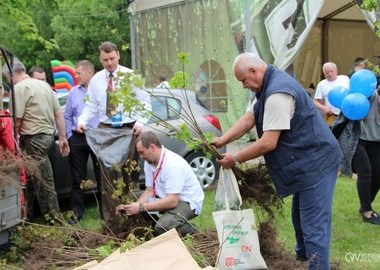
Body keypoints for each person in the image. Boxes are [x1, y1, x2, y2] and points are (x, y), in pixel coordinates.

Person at [213, 53, 343, 270]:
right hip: (304, 162)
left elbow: (268, 143)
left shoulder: (277, 94)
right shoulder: (266, 86)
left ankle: (316, 266)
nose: (244, 85)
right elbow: (249, 118)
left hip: (317, 163)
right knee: (300, 219)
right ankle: (302, 262)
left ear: (254, 71)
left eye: (243, 80)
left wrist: (235, 158)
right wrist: (223, 139)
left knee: (313, 226)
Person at [77, 41, 151, 229]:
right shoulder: (96, 80)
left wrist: (140, 123)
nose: (109, 63)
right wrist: (82, 120)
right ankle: (110, 224)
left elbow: (145, 103)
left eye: (111, 58)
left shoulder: (131, 76)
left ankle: (131, 220)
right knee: (107, 179)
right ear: (100, 59)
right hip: (105, 130)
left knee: (129, 175)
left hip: (128, 129)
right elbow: (92, 106)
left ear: (118, 55)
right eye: (105, 60)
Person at [2, 59, 69, 223]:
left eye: (6, 77)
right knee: (31, 181)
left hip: (33, 139)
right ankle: (28, 217)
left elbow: (16, 122)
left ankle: (55, 221)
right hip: (47, 137)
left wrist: (12, 142)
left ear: (10, 74)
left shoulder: (19, 89)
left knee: (44, 182)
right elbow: (59, 114)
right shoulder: (44, 86)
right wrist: (62, 137)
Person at [116, 131, 204, 236]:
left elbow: (172, 201)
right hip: (167, 197)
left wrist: (140, 207)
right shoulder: (150, 162)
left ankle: (191, 230)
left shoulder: (173, 165)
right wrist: (136, 205)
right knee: (131, 198)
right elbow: (150, 191)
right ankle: (153, 229)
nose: (141, 157)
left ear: (152, 147)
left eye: (142, 152)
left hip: (187, 202)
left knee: (163, 227)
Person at [336, 86, 380, 225]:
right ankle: (367, 212)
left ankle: (365, 205)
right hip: (356, 139)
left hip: (376, 142)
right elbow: (348, 108)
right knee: (365, 171)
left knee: (378, 174)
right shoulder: (367, 97)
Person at [64, 60, 101, 223]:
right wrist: (69, 135)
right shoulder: (73, 92)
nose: (75, 76)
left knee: (103, 175)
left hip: (98, 136)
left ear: (89, 73)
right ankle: (76, 213)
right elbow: (67, 116)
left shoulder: (102, 91)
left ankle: (106, 211)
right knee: (78, 178)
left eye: (78, 73)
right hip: (77, 138)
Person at [314, 62, 350, 126]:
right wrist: (324, 108)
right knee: (331, 134)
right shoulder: (321, 84)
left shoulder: (345, 79)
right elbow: (315, 101)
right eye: (327, 72)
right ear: (324, 74)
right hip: (331, 115)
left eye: (331, 71)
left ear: (336, 71)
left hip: (348, 114)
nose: (329, 74)